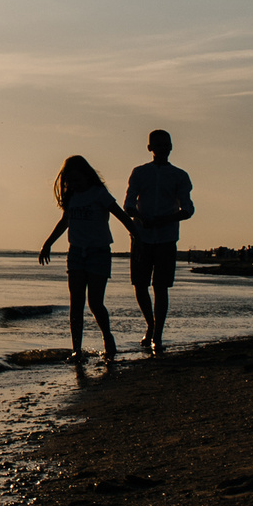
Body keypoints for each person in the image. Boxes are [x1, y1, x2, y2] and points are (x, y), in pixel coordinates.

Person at [37, 155, 139, 360]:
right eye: (70, 182)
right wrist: (47, 244)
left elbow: (121, 215)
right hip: (75, 253)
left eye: (77, 180)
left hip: (98, 253)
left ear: (87, 176)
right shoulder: (72, 197)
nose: (74, 185)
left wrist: (136, 235)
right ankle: (77, 349)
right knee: (76, 303)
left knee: (95, 302)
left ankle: (107, 337)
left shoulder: (99, 194)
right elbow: (64, 221)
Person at [122, 129, 195, 348]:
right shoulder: (139, 173)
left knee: (161, 286)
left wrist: (164, 220)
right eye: (159, 145)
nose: (163, 148)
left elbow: (188, 209)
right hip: (141, 237)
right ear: (150, 148)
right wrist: (140, 218)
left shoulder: (180, 176)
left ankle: (157, 334)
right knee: (140, 285)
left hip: (166, 238)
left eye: (166, 145)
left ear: (171, 147)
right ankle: (151, 325)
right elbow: (128, 204)